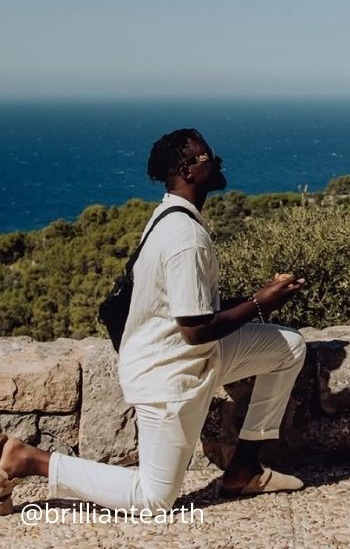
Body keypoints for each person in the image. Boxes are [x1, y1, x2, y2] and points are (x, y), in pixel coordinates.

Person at [0, 128, 307, 517]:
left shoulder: (170, 215)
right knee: (154, 499)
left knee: (288, 347)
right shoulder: (185, 236)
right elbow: (195, 329)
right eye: (208, 157)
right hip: (168, 373)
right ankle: (27, 459)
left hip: (193, 355)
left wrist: (262, 299)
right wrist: (260, 302)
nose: (218, 162)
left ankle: (244, 468)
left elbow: (192, 310)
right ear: (187, 171)